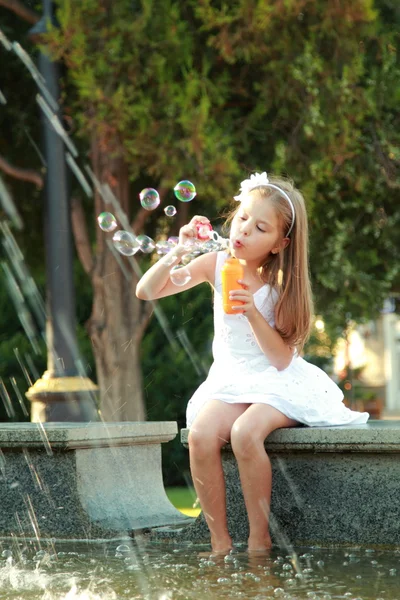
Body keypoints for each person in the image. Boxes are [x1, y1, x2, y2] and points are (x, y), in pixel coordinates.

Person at [136, 171, 369, 555]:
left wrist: (252, 313)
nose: (243, 230)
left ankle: (258, 539)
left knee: (246, 433)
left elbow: (280, 359)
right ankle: (219, 543)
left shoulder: (282, 285)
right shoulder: (215, 263)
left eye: (260, 227)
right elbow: (146, 291)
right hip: (231, 379)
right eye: (242, 217)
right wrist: (180, 249)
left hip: (277, 381)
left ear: (280, 243)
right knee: (199, 436)